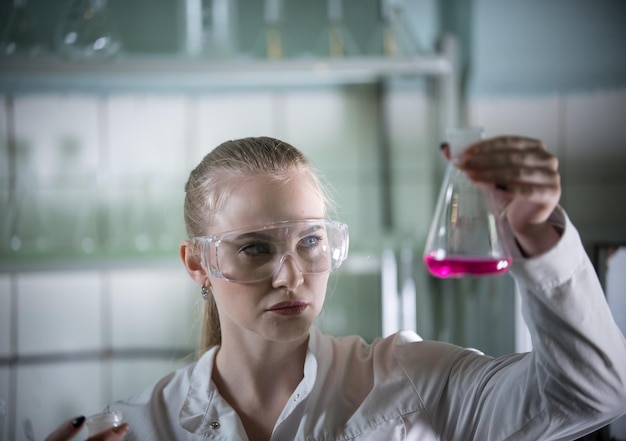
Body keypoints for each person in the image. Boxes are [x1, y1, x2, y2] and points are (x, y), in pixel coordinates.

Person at [47, 135, 626, 441]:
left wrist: (537, 236)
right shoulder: (136, 430)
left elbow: (593, 393)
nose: (291, 274)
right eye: (255, 247)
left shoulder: (413, 384)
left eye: (311, 241)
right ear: (198, 264)